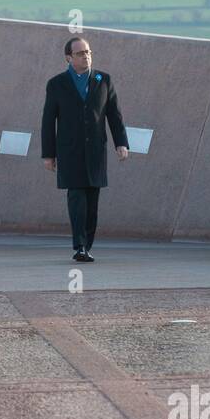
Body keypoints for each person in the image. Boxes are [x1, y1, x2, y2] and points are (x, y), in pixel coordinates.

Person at [41, 36, 129, 262]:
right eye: (80, 53)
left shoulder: (104, 80)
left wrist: (121, 143)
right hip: (70, 152)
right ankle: (79, 245)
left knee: (92, 202)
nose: (86, 56)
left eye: (88, 52)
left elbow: (114, 115)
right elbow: (48, 121)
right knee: (77, 198)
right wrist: (48, 154)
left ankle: (87, 245)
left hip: (96, 152)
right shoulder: (57, 84)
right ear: (68, 58)